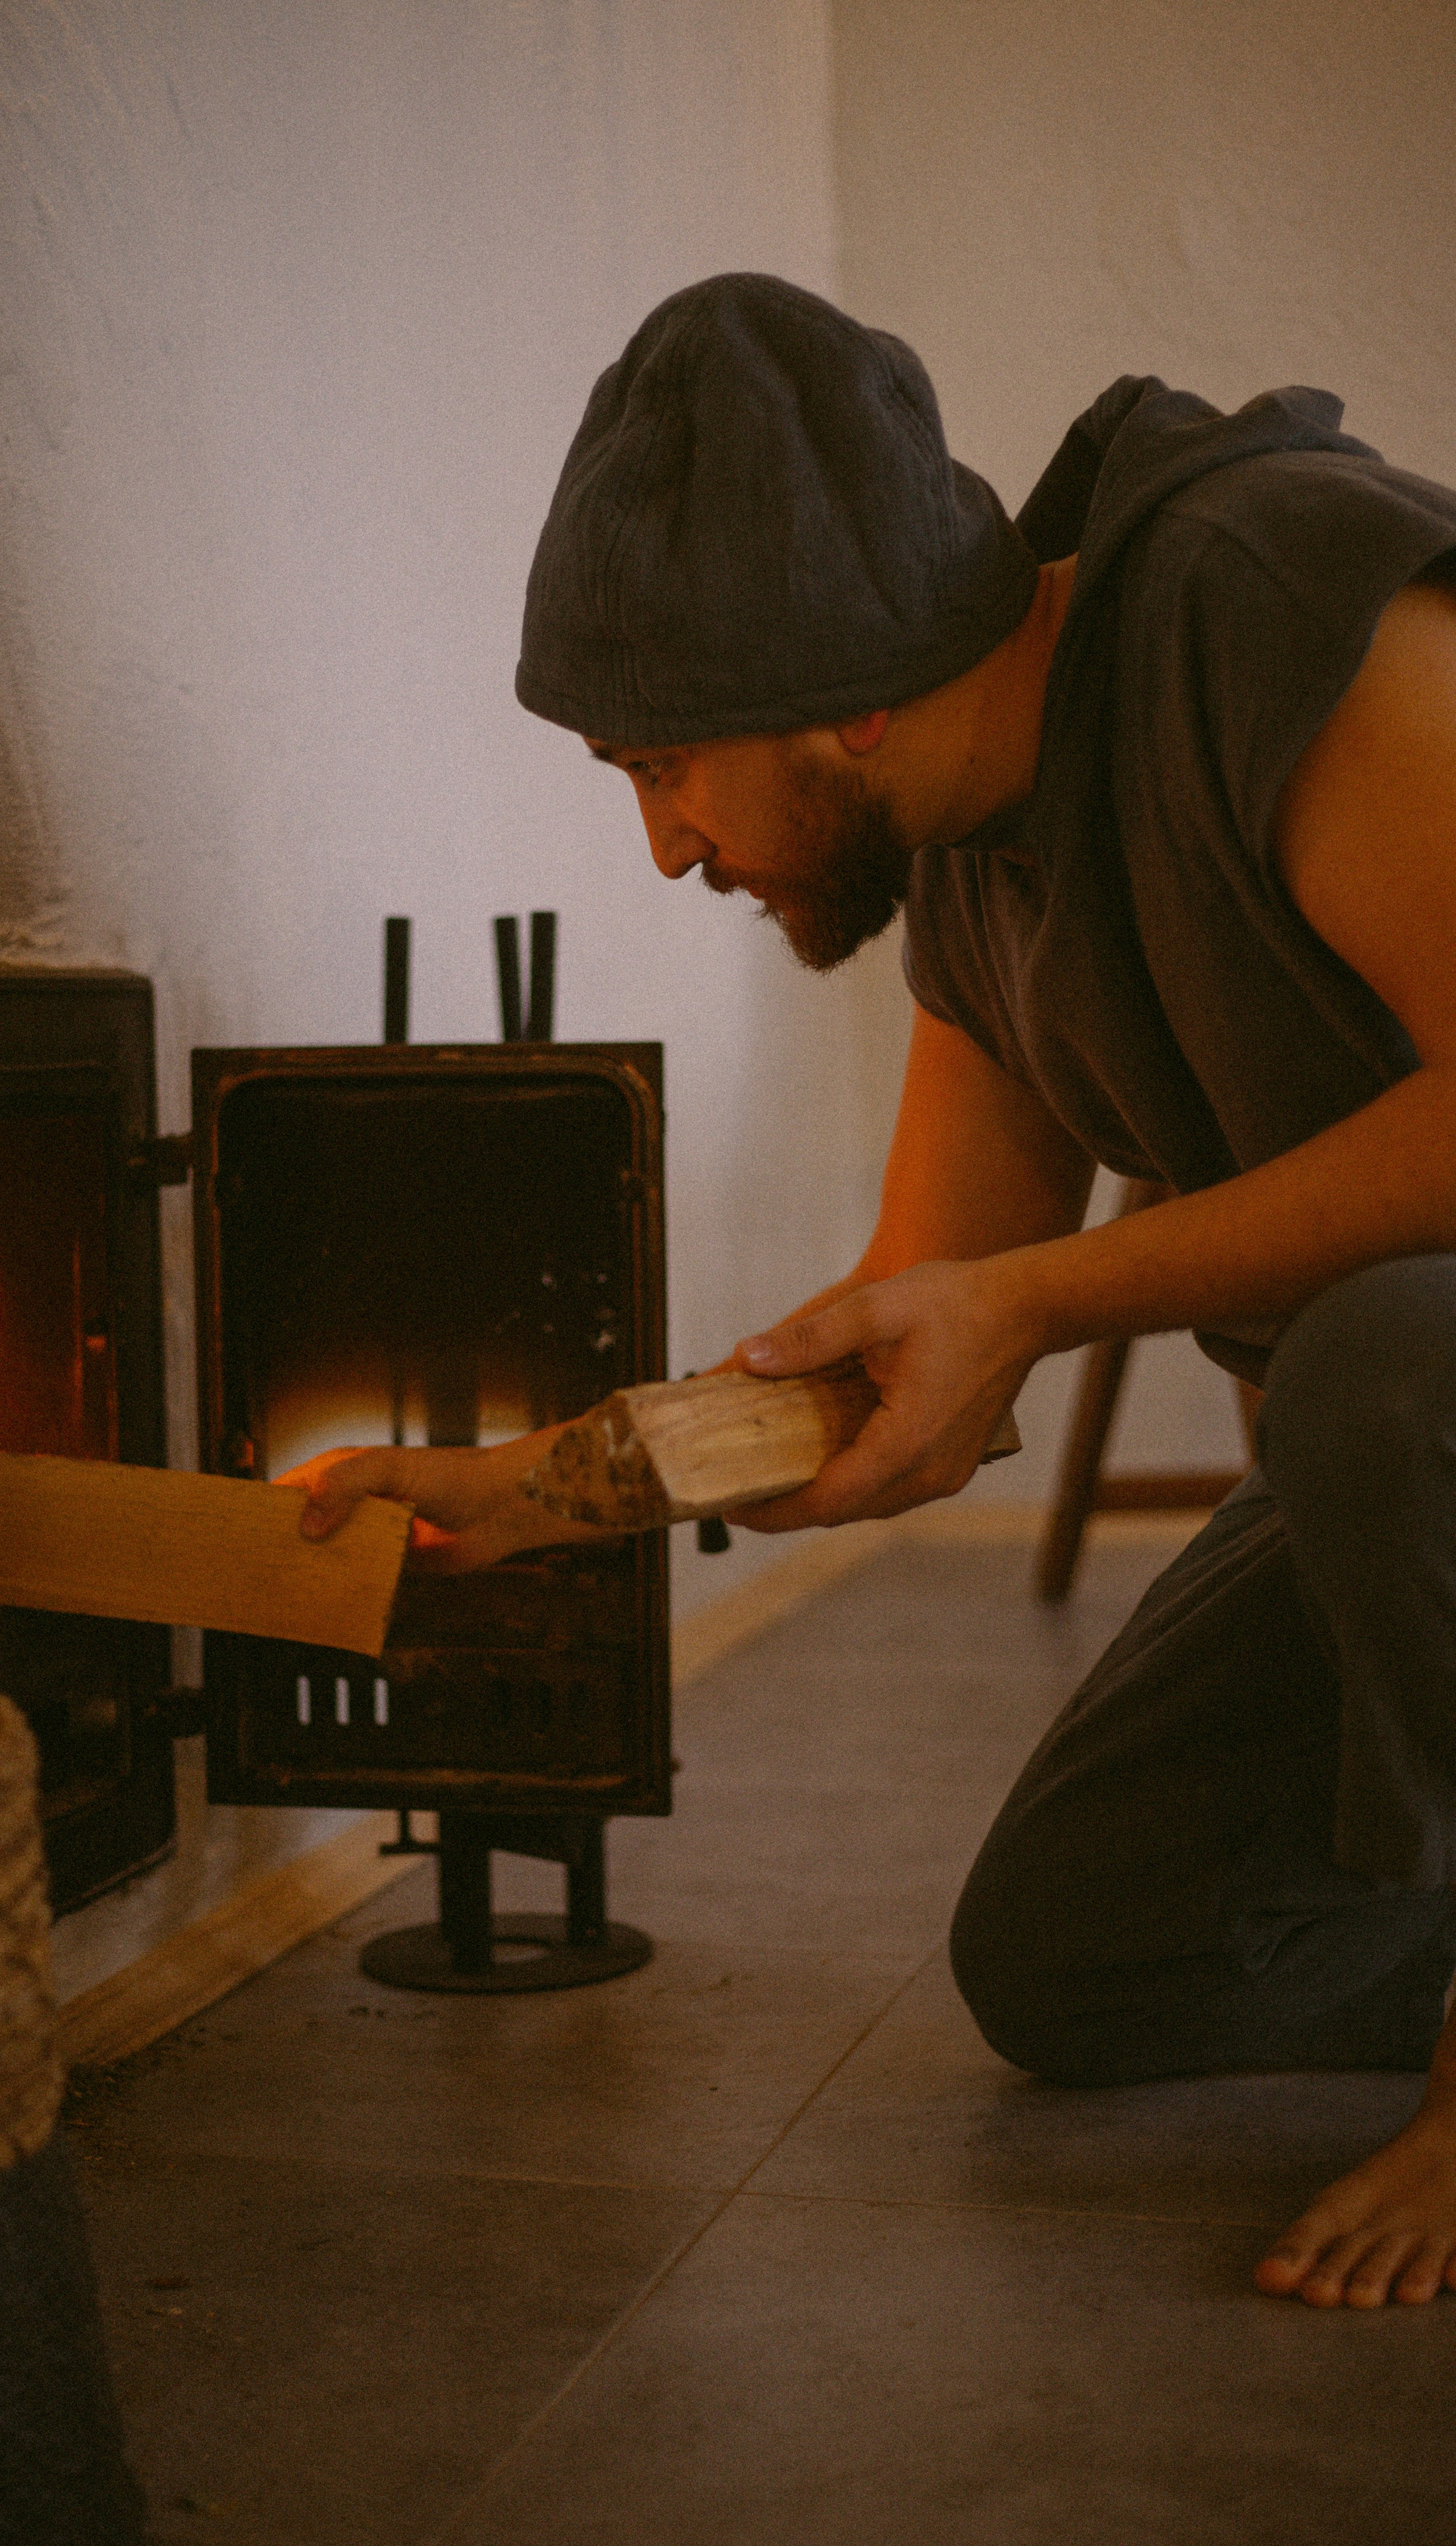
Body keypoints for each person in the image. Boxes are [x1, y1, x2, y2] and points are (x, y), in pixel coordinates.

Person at [294, 273, 1456, 2311]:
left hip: (1405, 1408)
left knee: (1375, 1370)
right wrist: (527, 1496)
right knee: (1081, 1960)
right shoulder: (977, 873)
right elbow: (910, 1324)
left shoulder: (1268, 591)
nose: (667, 851)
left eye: (664, 767)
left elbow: (1020, 1299)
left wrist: (1043, 1299)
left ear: (843, 696)